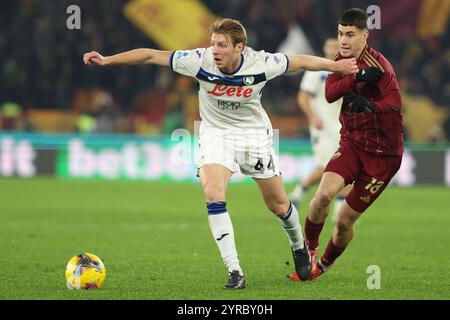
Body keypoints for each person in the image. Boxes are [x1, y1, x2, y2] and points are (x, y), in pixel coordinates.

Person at [83, 18, 358, 289]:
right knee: (213, 192)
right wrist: (108, 59)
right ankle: (234, 269)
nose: (214, 50)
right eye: (213, 43)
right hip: (215, 134)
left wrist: (336, 66)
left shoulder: (260, 63)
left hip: (253, 136)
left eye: (222, 45)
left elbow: (301, 61)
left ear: (240, 47)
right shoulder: (198, 60)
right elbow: (150, 56)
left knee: (278, 205)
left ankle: (298, 246)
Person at [303, 8, 403, 280]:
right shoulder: (340, 60)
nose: (343, 40)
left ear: (364, 36)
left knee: (344, 220)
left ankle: (323, 264)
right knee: (323, 195)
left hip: (383, 156)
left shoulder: (381, 66)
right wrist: (355, 77)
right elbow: (329, 93)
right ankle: (307, 252)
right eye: (340, 33)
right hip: (352, 143)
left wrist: (370, 105)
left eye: (349, 34)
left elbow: (395, 104)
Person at [289, 38, 351, 221]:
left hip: (342, 127)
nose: (332, 49)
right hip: (322, 127)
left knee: (346, 167)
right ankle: (298, 194)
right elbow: (302, 97)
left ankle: (339, 210)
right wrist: (312, 117)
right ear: (324, 49)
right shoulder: (316, 71)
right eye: (330, 46)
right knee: (324, 167)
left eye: (336, 47)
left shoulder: (346, 70)